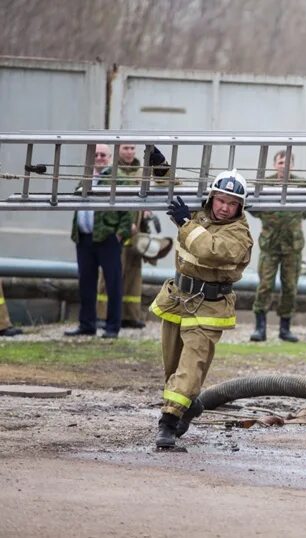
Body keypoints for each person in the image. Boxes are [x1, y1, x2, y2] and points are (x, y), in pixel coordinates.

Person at [149, 169, 253, 449]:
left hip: (209, 306)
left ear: (241, 207)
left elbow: (211, 249)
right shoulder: (199, 213)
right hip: (177, 298)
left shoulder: (239, 234)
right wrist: (161, 166)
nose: (224, 208)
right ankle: (189, 403)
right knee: (173, 368)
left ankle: (167, 423)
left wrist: (185, 222)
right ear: (211, 197)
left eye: (232, 204)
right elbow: (169, 189)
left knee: (189, 367)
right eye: (220, 200)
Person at [64, 144, 133, 339]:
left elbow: (129, 209)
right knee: (86, 282)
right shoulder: (86, 177)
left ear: (110, 157)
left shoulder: (117, 179)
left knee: (113, 284)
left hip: (107, 238)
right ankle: (87, 324)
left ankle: (112, 327)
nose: (99, 157)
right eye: (96, 154)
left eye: (103, 154)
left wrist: (120, 234)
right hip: (84, 238)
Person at [97, 144, 169, 329]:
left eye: (131, 148)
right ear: (118, 151)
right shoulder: (111, 172)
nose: (129, 152)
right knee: (111, 275)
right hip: (118, 230)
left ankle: (130, 315)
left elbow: (150, 192)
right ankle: (103, 315)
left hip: (137, 230)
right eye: (125, 148)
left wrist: (146, 211)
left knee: (133, 275)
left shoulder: (141, 171)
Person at [249, 150, 306, 343]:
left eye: (287, 163)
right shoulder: (264, 184)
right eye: (280, 162)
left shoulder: (301, 185)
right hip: (269, 244)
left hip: (292, 245)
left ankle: (285, 328)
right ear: (274, 164)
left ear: (292, 166)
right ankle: (260, 328)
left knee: (290, 287)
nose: (283, 166)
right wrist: (268, 217)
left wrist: (296, 217)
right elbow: (252, 207)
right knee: (264, 286)